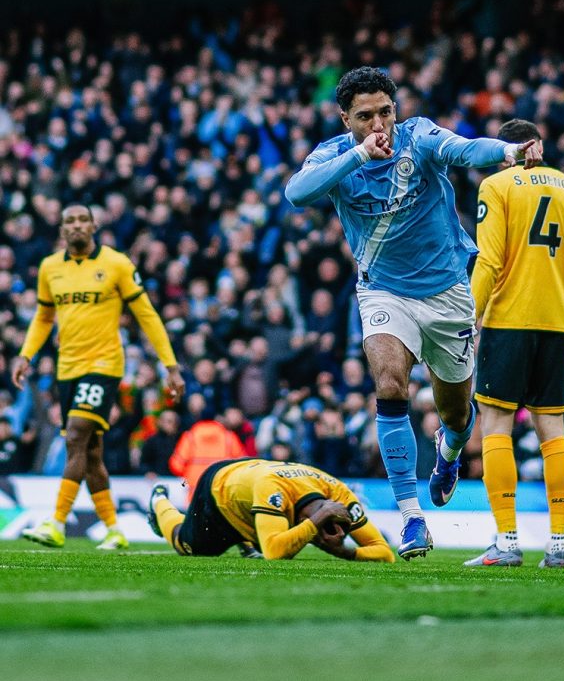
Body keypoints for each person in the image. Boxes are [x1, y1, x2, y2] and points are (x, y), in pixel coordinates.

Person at [285, 67, 540, 559]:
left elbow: (465, 150)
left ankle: (448, 453)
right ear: (346, 119)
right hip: (382, 291)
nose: (380, 122)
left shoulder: (418, 137)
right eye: (366, 116)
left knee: (457, 413)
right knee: (389, 385)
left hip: (447, 293)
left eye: (386, 110)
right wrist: (359, 154)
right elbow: (298, 193)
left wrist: (509, 152)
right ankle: (411, 518)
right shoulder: (338, 155)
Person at [12, 204, 185, 550]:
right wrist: (25, 354)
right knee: (90, 452)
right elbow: (44, 317)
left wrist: (171, 365)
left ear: (93, 225)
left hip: (104, 366)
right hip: (68, 369)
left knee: (75, 435)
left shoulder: (117, 264)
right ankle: (114, 529)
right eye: (69, 221)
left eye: (81, 220)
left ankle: (56, 522)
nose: (75, 225)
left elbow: (147, 315)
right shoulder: (50, 268)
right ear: (62, 230)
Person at [464, 120, 564, 569]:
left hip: (508, 320)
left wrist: (469, 316)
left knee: (497, 428)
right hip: (556, 323)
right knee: (553, 433)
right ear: (539, 144)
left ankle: (508, 540)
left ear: (506, 147)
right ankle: (557, 545)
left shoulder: (496, 186)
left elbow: (491, 259)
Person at [147, 458, 395, 562]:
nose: (322, 539)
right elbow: (275, 552)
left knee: (276, 529)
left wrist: (345, 552)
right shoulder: (274, 491)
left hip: (254, 478)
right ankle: (159, 503)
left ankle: (247, 540)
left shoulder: (341, 495)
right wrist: (318, 520)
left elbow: (385, 552)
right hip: (220, 490)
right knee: (188, 547)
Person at [168, 414, 245, 503]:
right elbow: (241, 465)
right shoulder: (229, 437)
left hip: (194, 493)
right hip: (222, 493)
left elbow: (176, 465)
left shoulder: (190, 437)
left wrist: (188, 475)